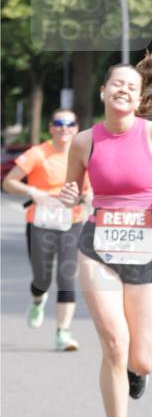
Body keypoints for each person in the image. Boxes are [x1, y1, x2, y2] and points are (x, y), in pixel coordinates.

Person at [59, 48, 152, 417]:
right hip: (99, 244)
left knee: (142, 357)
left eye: (131, 87)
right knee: (114, 342)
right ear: (103, 92)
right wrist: (70, 195)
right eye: (117, 83)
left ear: (138, 98)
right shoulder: (85, 141)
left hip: (147, 243)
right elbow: (72, 188)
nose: (124, 90)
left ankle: (137, 373)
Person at [2, 109, 91, 351]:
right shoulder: (38, 153)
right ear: (51, 127)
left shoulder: (83, 154)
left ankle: (63, 333)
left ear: (76, 127)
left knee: (66, 277)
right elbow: (9, 182)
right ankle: (37, 299)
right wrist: (34, 192)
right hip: (40, 222)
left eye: (70, 123)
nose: (64, 128)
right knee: (42, 278)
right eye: (59, 123)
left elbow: (91, 186)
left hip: (70, 222)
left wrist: (86, 199)